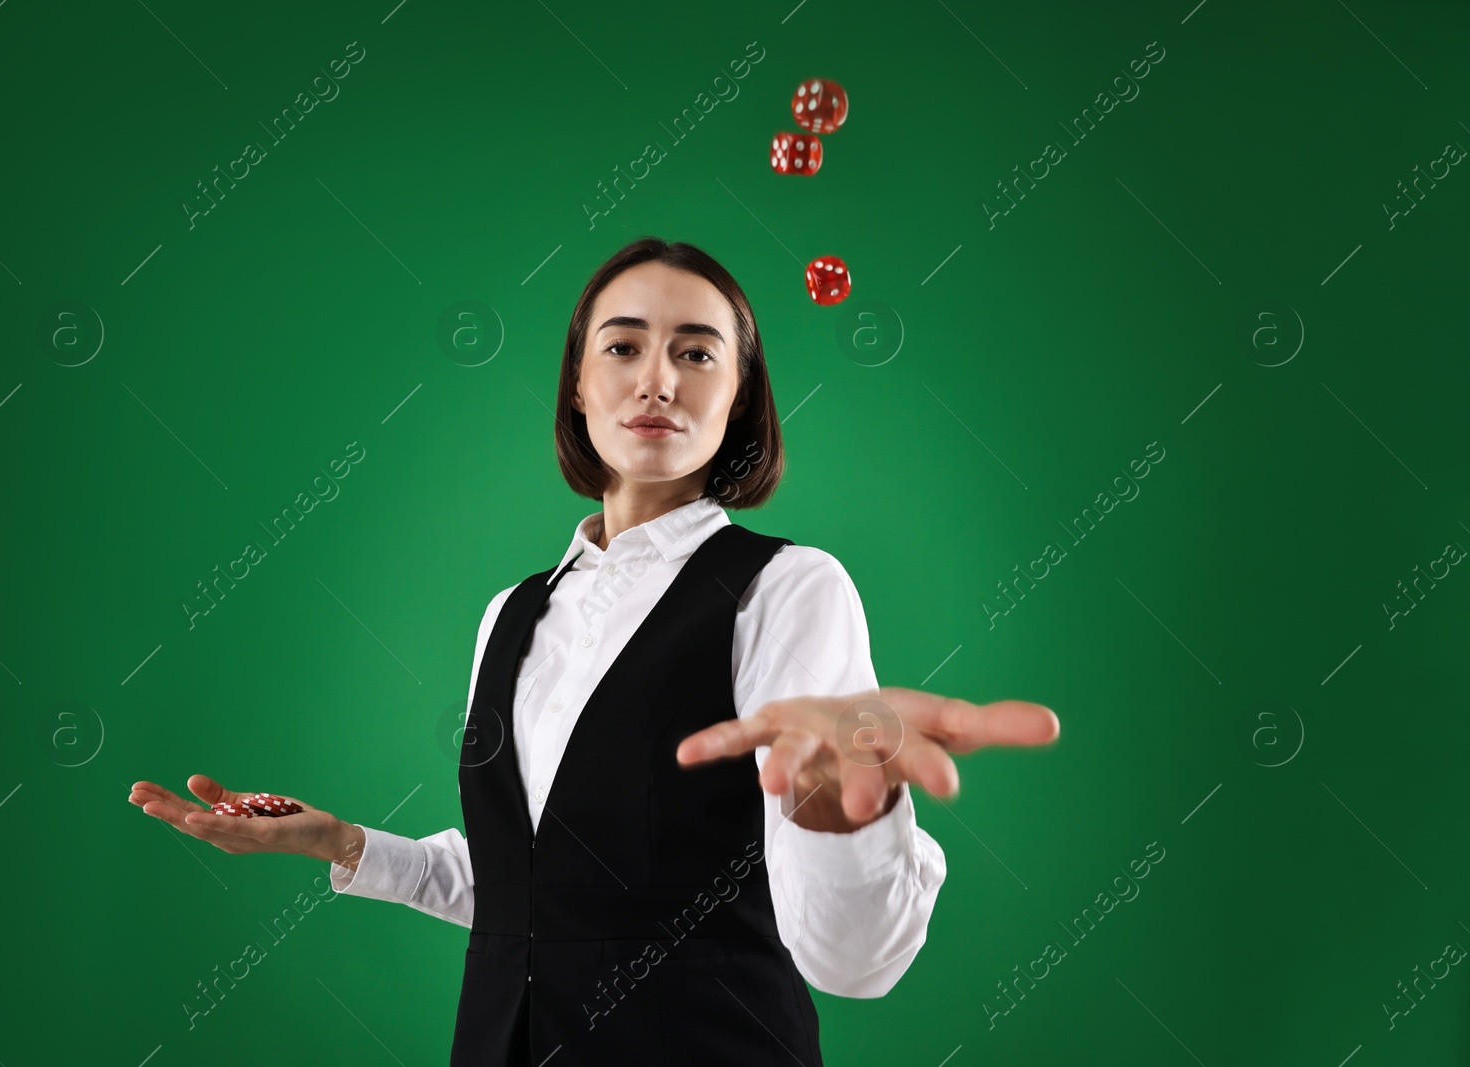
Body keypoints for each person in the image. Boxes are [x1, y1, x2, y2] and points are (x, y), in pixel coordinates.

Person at [130, 237, 1059, 1065]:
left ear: (738, 398)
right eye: (623, 347)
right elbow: (538, 889)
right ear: (578, 383)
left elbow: (856, 964)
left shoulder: (789, 588)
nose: (658, 379)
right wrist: (342, 843)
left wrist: (839, 813)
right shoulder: (511, 613)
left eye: (697, 352)